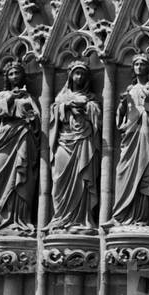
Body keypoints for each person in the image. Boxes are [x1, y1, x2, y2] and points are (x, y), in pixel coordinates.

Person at [111, 54, 149, 228]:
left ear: (148, 68)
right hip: (130, 135)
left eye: (143, 64)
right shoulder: (130, 90)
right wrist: (122, 106)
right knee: (124, 171)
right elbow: (120, 118)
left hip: (145, 135)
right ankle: (123, 214)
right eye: (136, 64)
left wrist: (148, 107)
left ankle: (143, 216)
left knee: (144, 172)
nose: (139, 67)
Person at [0, 60, 40, 233]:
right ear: (7, 78)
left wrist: (32, 118)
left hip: (23, 136)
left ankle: (18, 218)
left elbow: (37, 120)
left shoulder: (28, 97)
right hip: (4, 138)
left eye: (17, 73)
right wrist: (12, 97)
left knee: (21, 174)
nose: (14, 76)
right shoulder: (3, 95)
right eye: (11, 74)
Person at [48, 59, 102, 232]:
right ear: (70, 76)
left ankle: (82, 219)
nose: (79, 77)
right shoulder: (61, 98)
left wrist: (88, 108)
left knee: (83, 179)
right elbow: (52, 117)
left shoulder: (91, 98)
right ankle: (61, 217)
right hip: (64, 141)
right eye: (76, 73)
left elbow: (98, 118)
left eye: (82, 74)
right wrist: (66, 106)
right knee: (59, 179)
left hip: (84, 141)